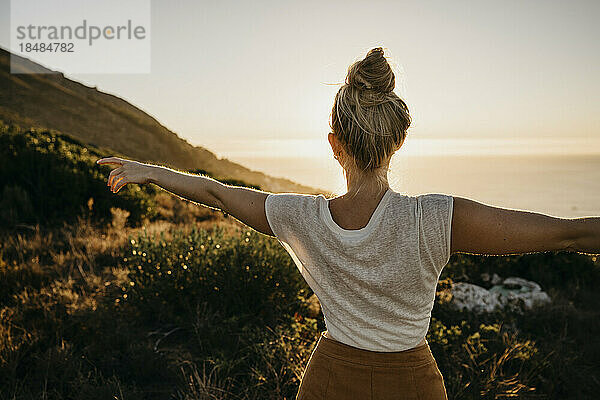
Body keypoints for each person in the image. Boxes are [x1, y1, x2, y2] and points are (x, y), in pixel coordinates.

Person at [97, 47, 600, 400]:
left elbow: (216, 193)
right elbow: (566, 232)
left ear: (335, 144)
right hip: (414, 385)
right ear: (398, 140)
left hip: (330, 381)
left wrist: (150, 172)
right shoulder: (436, 219)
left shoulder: (302, 218)